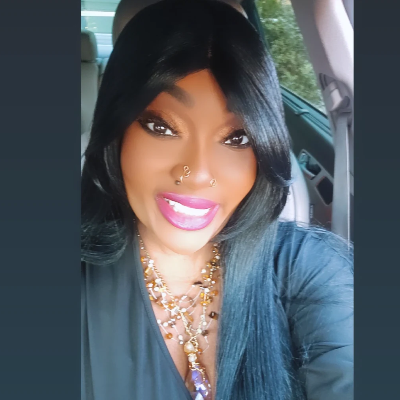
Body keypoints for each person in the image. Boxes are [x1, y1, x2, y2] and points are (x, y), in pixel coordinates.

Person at [81, 1, 354, 399]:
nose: (198, 173)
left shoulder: (309, 270)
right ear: (117, 132)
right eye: (162, 127)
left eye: (237, 138)